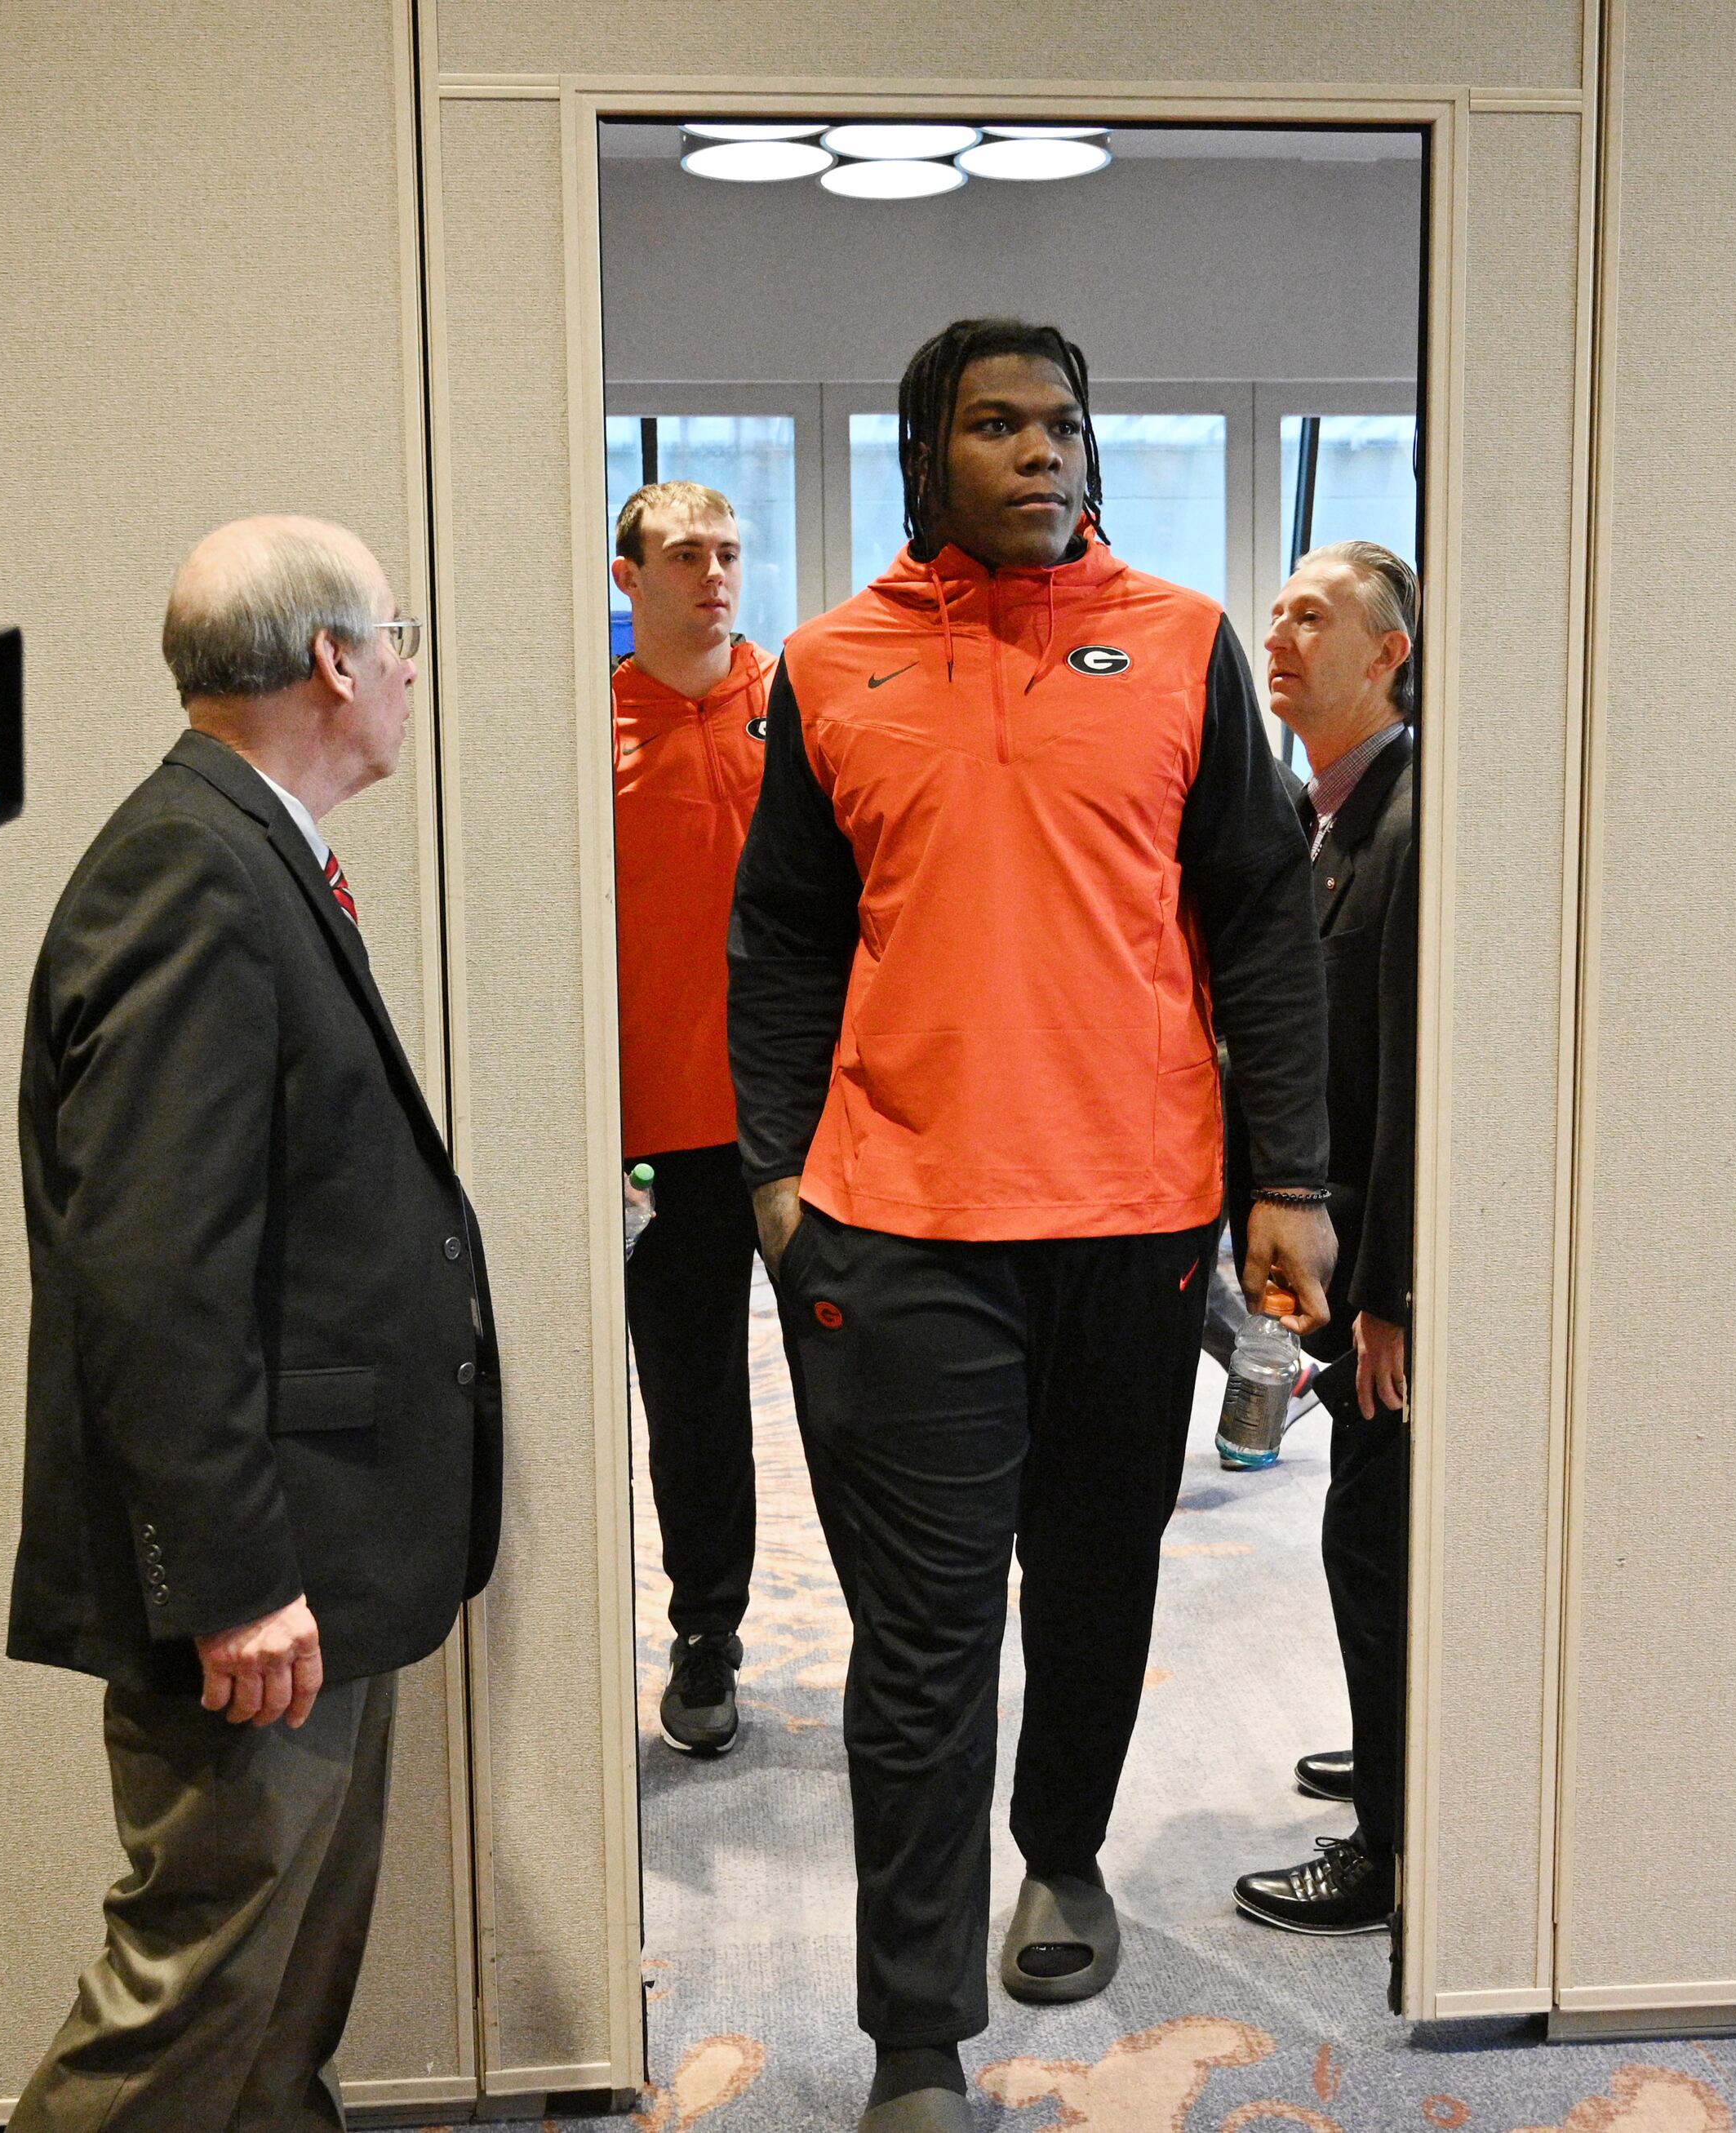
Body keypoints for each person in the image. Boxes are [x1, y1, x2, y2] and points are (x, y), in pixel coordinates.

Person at [729, 318, 1336, 2133]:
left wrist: (1284, 1175)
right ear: (929, 449)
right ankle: (914, 2042)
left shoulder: (1183, 645)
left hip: (1136, 1215)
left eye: (1061, 422)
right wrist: (777, 1173)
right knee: (920, 1638)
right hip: (901, 1226)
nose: (1039, 450)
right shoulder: (832, 666)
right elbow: (779, 933)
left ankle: (1059, 1849)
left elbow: (1261, 923)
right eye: (996, 424)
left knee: (1093, 1583)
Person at [8, 515, 502, 2133]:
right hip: (256, 1571)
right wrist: (233, 1581)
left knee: (281, 1994)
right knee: (196, 1983)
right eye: (401, 635)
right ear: (334, 662)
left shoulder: (250, 841)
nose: (414, 668)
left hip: (323, 1541)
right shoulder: (190, 870)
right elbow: (155, 1269)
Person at [1228, 541, 1422, 1939]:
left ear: (1389, 653)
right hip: (1346, 1254)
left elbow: (1416, 1084)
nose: (1280, 635)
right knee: (1371, 1525)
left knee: (1374, 1537)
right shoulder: (1328, 815)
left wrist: (1391, 1292)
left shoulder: (1409, 825)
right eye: (1277, 613)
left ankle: (1396, 1847)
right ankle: (1402, 1751)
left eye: (1314, 616)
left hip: (1391, 1276)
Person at [610, 479, 775, 1758]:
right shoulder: (592, 731)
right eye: (683, 554)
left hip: (812, 1126)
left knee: (865, 1394)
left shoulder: (806, 710)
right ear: (630, 577)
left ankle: (899, 1629)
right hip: (660, 1134)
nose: (713, 574)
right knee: (694, 1399)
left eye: (727, 551)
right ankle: (706, 1632)